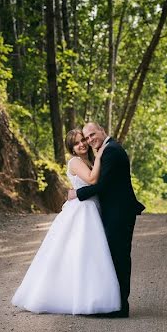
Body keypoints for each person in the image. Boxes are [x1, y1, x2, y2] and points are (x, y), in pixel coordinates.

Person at [11, 129, 121, 315]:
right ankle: (65, 297)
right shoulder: (76, 162)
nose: (82, 144)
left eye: (83, 140)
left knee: (90, 256)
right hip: (83, 211)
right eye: (76, 143)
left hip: (92, 207)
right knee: (78, 253)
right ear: (72, 148)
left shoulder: (90, 160)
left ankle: (89, 296)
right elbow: (93, 179)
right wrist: (101, 155)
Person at [67, 122, 145, 318]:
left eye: (92, 134)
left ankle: (119, 307)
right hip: (112, 212)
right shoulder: (107, 150)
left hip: (118, 213)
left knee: (119, 257)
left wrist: (76, 193)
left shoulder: (110, 151)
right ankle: (112, 303)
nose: (90, 140)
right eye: (87, 137)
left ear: (102, 130)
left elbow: (100, 185)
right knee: (112, 257)